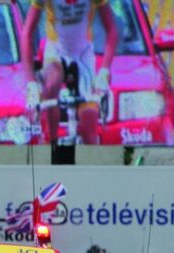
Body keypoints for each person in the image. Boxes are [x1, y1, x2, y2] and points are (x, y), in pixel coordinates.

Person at [21, 0, 118, 147]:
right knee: (53, 83)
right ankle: (50, 144)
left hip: (83, 56)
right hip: (56, 52)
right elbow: (26, 33)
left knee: (88, 129)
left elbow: (111, 30)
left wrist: (104, 71)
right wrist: (31, 84)